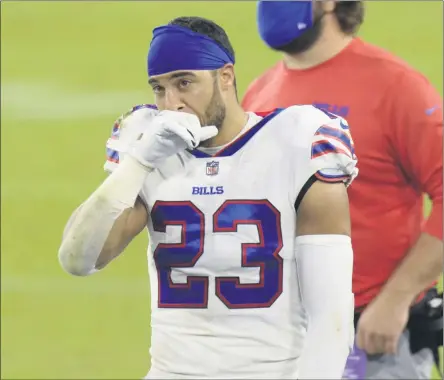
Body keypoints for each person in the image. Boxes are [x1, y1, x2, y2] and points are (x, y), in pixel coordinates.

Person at [58, 16, 358, 380]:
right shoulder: (148, 145)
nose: (172, 104)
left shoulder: (297, 141)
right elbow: (78, 259)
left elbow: (332, 317)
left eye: (185, 83)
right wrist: (139, 162)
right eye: (158, 88)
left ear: (226, 77)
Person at [242, 1, 443, 379]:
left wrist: (397, 298)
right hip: (282, 341)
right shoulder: (259, 94)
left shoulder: (396, 87)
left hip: (374, 341)